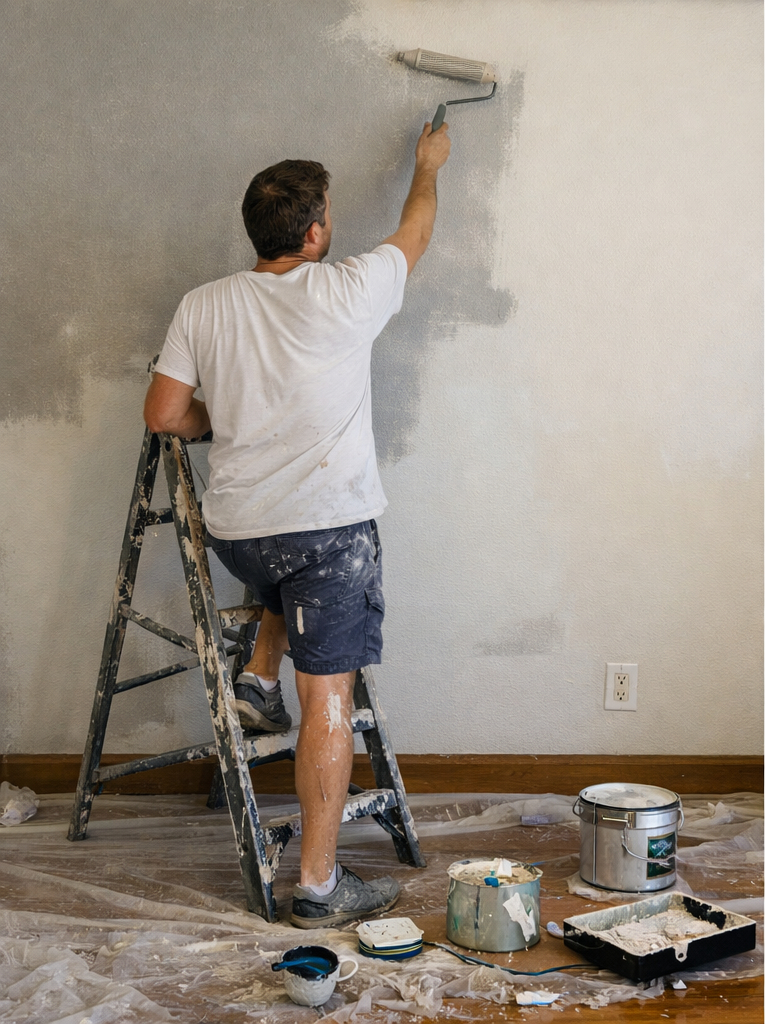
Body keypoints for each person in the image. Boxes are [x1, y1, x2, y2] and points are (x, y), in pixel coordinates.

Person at [143, 120, 451, 928]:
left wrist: (224, 418)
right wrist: (426, 166)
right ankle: (317, 886)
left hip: (240, 534)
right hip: (324, 538)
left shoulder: (202, 304)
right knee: (330, 703)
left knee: (288, 568)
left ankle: (254, 680)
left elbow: (165, 413)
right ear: (315, 234)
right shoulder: (349, 287)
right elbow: (415, 229)